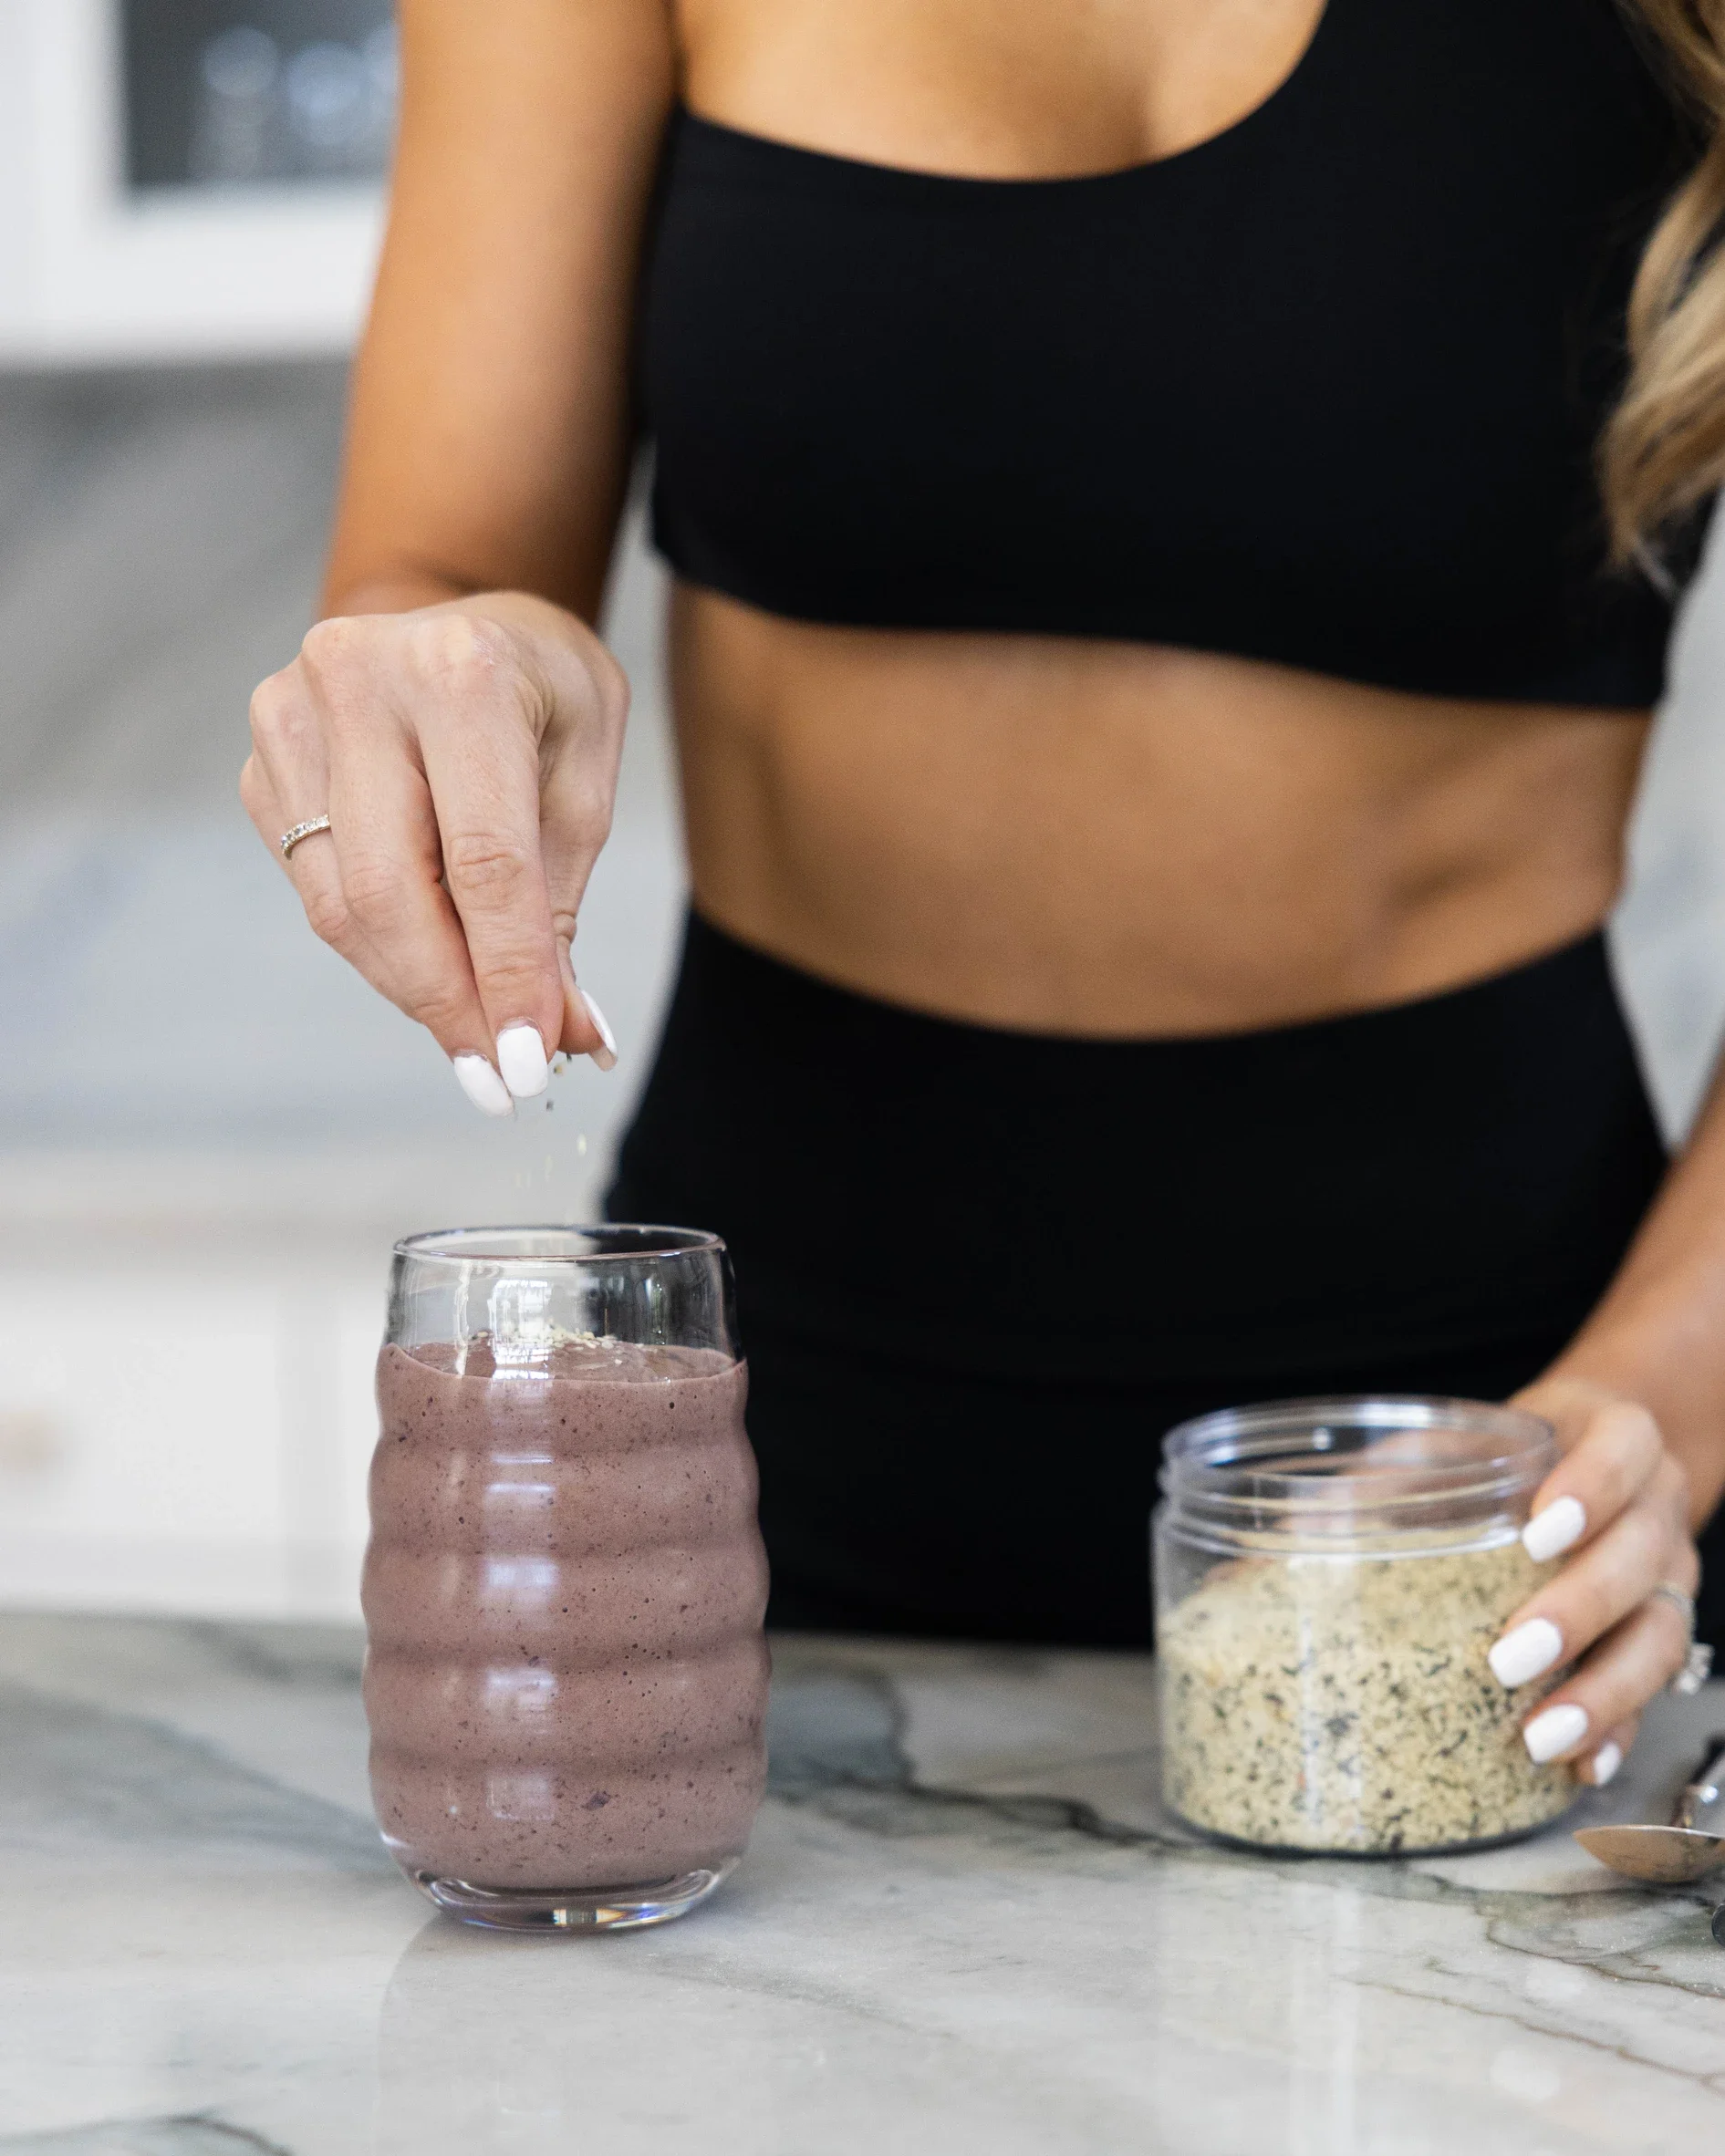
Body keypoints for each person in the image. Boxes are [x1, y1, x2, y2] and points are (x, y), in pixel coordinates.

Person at [243, 0, 1725, 1789]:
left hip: (1496, 1473)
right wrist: (439, 672)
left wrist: (1644, 1404)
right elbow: (449, 560)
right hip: (754, 1442)